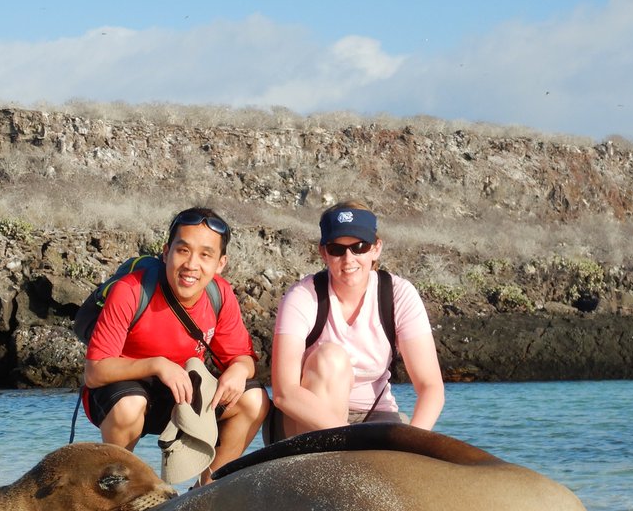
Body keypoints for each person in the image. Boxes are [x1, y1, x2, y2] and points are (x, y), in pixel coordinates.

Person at [83, 207, 269, 484]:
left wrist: (239, 370)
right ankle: (118, 491)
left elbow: (243, 357)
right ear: (166, 252)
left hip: (181, 396)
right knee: (130, 404)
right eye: (183, 251)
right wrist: (158, 365)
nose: (192, 264)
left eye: (205, 255)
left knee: (254, 400)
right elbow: (95, 372)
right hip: (122, 395)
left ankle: (208, 492)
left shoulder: (219, 294)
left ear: (220, 263)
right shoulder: (131, 290)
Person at [271, 201, 444, 439]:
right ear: (323, 253)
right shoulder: (302, 296)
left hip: (375, 415)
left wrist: (414, 440)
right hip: (306, 417)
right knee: (330, 357)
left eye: (359, 247)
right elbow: (284, 393)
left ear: (376, 249)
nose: (348, 258)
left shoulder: (399, 294)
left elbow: (430, 387)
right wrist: (348, 437)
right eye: (337, 249)